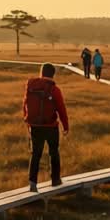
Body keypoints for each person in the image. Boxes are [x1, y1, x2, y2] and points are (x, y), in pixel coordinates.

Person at [23, 63, 70, 191]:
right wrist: (65, 126)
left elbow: (25, 104)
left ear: (41, 73)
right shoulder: (55, 90)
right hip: (51, 126)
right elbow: (61, 109)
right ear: (53, 74)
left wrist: (28, 121)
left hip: (35, 126)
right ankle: (55, 180)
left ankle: (32, 183)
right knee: (54, 152)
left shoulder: (31, 86)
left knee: (36, 154)